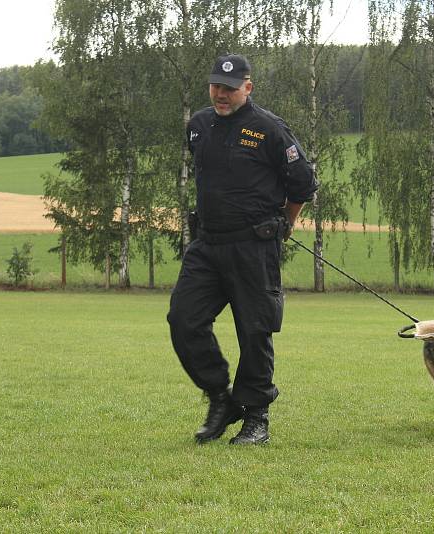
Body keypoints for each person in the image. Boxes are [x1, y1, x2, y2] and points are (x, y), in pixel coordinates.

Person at [167, 54, 317, 445]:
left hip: (253, 245)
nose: (222, 93)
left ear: (247, 88)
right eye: (216, 86)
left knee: (255, 331)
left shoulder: (268, 129)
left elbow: (302, 183)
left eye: (230, 88)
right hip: (207, 243)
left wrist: (285, 223)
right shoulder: (198, 125)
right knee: (183, 319)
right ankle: (221, 397)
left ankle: (256, 419)